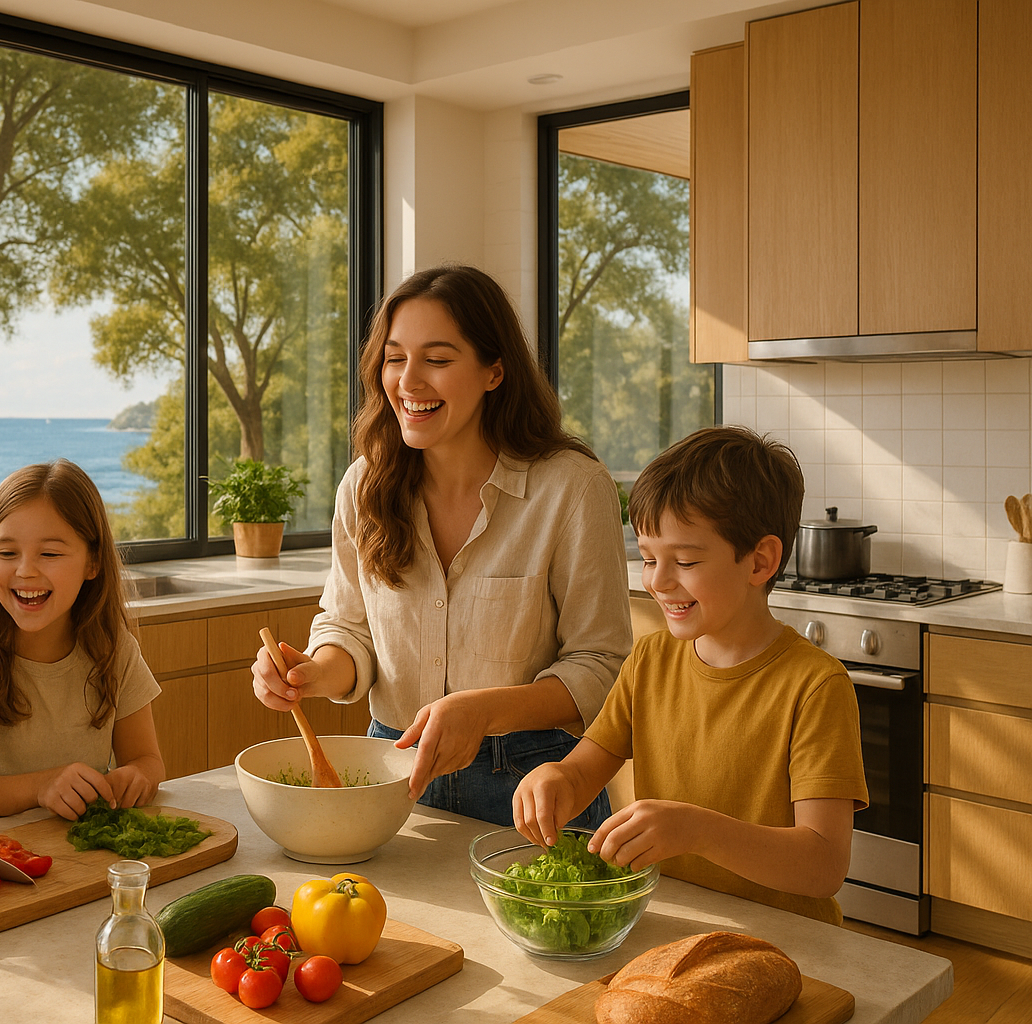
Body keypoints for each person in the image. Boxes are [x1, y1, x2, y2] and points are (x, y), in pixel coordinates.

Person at [251, 264, 633, 827]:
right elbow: (348, 628)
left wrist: (482, 712)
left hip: (533, 786)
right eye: (395, 357)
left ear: (494, 372)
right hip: (392, 774)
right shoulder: (365, 485)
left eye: (437, 359)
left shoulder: (572, 488)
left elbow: (602, 668)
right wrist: (312, 672)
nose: (408, 381)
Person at [512, 426, 868, 924]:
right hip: (678, 923)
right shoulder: (650, 661)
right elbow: (582, 771)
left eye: (685, 560)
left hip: (788, 942)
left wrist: (698, 831)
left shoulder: (815, 686)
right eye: (650, 557)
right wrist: (553, 779)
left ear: (760, 561)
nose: (657, 580)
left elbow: (824, 865)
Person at [0, 459, 165, 819]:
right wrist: (42, 787)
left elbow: (148, 761)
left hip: (83, 855)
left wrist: (137, 776)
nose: (25, 571)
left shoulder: (116, 650)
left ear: (92, 563)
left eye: (49, 554)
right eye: (6, 553)